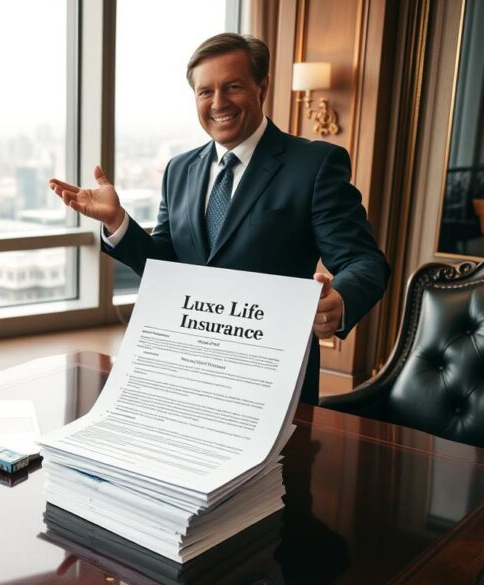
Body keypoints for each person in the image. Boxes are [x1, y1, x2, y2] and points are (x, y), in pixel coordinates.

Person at [50, 33, 389, 405]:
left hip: (270, 376)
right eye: (205, 91)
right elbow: (165, 265)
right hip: (184, 366)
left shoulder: (315, 164)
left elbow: (364, 260)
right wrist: (117, 221)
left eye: (233, 87)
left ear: (262, 87)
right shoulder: (179, 169)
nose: (218, 103)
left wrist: (340, 301)